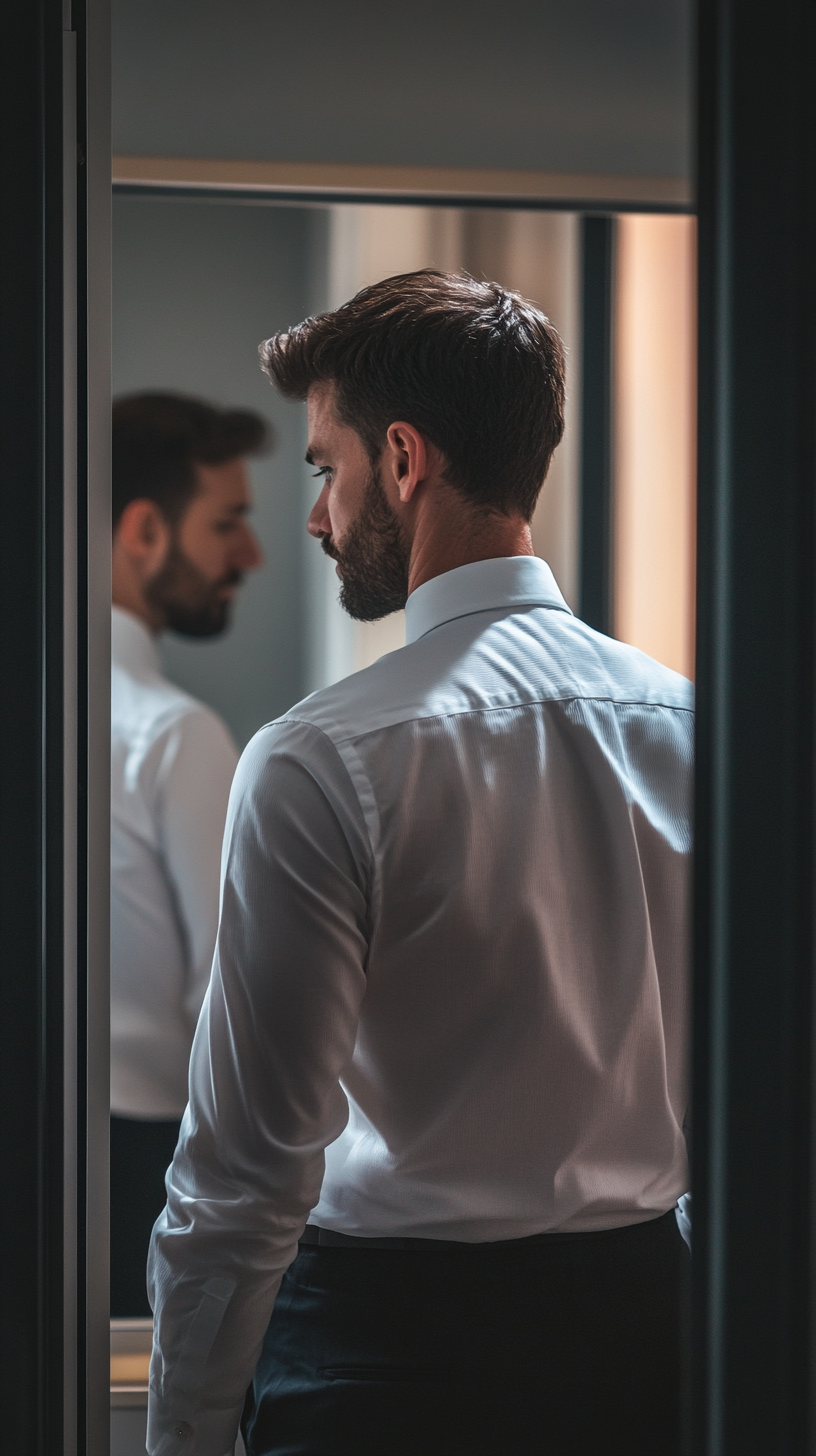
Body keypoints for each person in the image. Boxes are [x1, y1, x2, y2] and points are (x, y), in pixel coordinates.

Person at [147, 273, 692, 1456]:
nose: (314, 515)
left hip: (386, 1366)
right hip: (656, 1355)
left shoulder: (318, 760)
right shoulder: (698, 730)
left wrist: (182, 1435)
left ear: (403, 461)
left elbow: (243, 1176)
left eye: (322, 466)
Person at [110, 392, 268, 1317]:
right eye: (227, 523)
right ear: (143, 531)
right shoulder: (175, 735)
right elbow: (229, 1006)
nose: (247, 555)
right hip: (138, 1173)